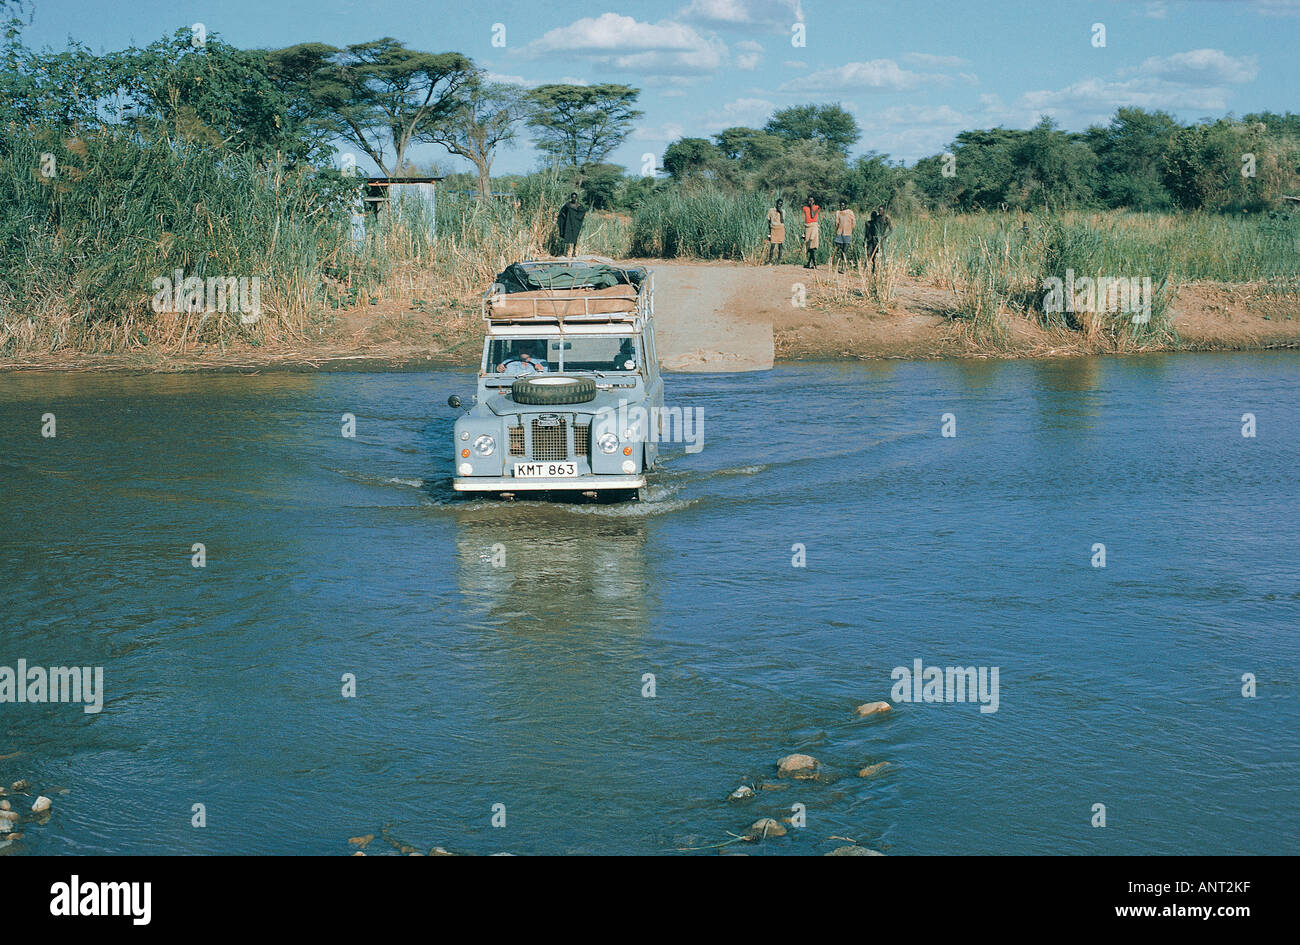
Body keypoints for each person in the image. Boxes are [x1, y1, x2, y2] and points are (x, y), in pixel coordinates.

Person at [864, 204, 893, 274]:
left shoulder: (886, 219)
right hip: (873, 239)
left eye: (880, 210)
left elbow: (891, 230)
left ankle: (878, 270)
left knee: (879, 254)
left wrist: (884, 236)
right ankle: (866, 269)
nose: (879, 211)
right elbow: (871, 226)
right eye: (878, 210)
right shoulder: (876, 218)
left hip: (880, 240)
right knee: (869, 253)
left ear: (884, 211)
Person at [557, 192, 586, 257]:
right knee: (566, 237)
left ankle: (573, 253)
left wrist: (576, 218)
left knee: (574, 237)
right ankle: (564, 253)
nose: (573, 198)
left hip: (575, 224)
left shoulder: (578, 206)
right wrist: (565, 218)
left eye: (574, 197)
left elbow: (582, 212)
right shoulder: (568, 205)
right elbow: (562, 212)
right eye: (572, 197)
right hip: (568, 224)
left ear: (576, 198)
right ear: (571, 197)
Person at [832, 199, 856, 271]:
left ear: (846, 205)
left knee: (845, 250)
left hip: (847, 233)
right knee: (842, 250)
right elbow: (837, 223)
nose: (841, 207)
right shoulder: (838, 213)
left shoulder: (850, 212)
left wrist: (850, 229)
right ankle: (843, 265)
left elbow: (853, 222)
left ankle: (844, 266)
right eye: (840, 205)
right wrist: (836, 231)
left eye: (843, 205)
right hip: (840, 233)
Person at [764, 198, 786, 264]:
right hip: (773, 229)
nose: (779, 205)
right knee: (772, 245)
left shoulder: (783, 211)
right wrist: (769, 231)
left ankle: (778, 261)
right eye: (778, 204)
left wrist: (781, 212)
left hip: (781, 229)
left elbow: (782, 221)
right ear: (776, 203)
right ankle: (770, 260)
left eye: (781, 204)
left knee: (780, 246)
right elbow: (768, 221)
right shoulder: (771, 210)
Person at [801, 195, 820, 269]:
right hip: (807, 227)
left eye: (812, 201)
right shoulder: (805, 208)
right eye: (809, 200)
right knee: (809, 246)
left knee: (813, 245)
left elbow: (812, 215)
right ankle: (810, 264)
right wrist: (804, 232)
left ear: (814, 201)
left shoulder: (817, 207)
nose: (810, 202)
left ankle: (813, 264)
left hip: (814, 226)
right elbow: (806, 218)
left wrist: (811, 206)